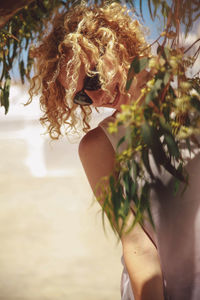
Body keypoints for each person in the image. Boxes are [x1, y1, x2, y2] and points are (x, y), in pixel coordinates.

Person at [29, 2, 200, 300]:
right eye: (82, 96)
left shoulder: (191, 99)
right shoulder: (98, 146)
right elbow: (137, 245)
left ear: (117, 42)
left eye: (93, 76)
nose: (97, 97)